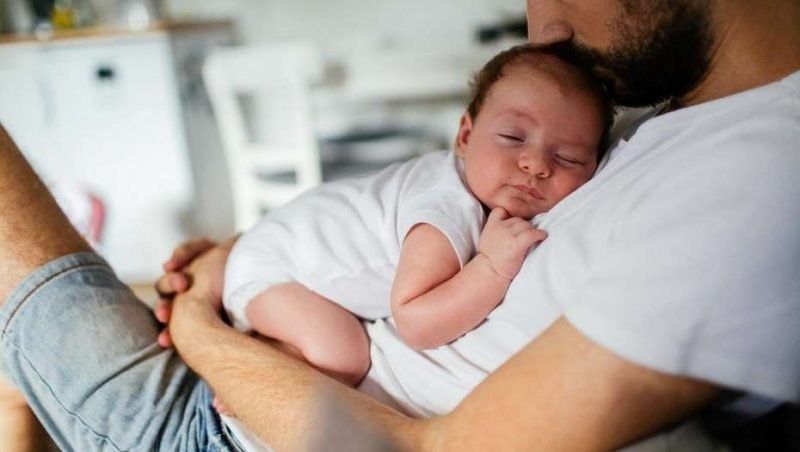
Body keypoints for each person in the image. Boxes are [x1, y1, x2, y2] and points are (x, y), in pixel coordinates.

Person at [0, 0, 798, 450]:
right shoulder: (661, 117)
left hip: (241, 425)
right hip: (273, 373)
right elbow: (396, 220)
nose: (543, 25)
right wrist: (241, 260)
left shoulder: (760, 173)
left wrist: (203, 325)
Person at [219, 44, 610, 394]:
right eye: (513, 137)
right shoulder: (447, 210)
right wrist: (492, 267)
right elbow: (416, 324)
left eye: (569, 158)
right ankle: (247, 370)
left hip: (285, 243)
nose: (536, 164)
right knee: (343, 356)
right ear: (465, 137)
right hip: (273, 267)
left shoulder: (479, 188)